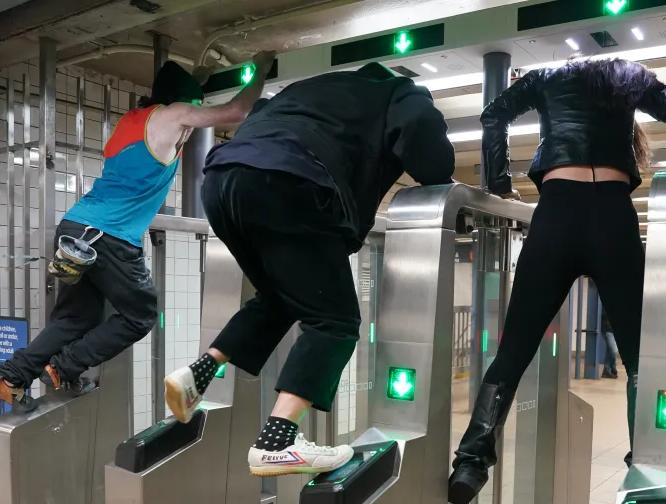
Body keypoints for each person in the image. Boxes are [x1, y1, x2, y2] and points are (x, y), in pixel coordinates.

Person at [165, 61, 455, 477]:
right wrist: (441, 176)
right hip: (286, 181)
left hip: (222, 182)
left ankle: (199, 372)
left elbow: (258, 114)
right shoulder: (395, 91)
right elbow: (426, 148)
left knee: (280, 297)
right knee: (334, 321)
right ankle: (277, 440)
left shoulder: (310, 86)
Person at [447, 56, 666, 504]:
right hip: (614, 218)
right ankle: (645, 468)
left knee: (514, 350)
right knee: (639, 357)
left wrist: (500, 183)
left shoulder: (545, 75)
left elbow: (492, 114)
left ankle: (470, 461)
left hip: (555, 216)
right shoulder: (630, 78)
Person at [0, 53, 276, 412]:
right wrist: (260, 69)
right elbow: (236, 111)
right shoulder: (173, 115)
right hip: (110, 235)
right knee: (140, 315)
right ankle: (61, 367)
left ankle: (11, 377)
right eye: (193, 104)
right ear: (181, 102)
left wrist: (198, 76)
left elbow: (178, 101)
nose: (194, 115)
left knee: (76, 317)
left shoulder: (134, 120)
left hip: (76, 228)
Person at [601, 311, 619, 379]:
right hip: (607, 329)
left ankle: (607, 370)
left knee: (610, 350)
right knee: (613, 349)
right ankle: (612, 367)